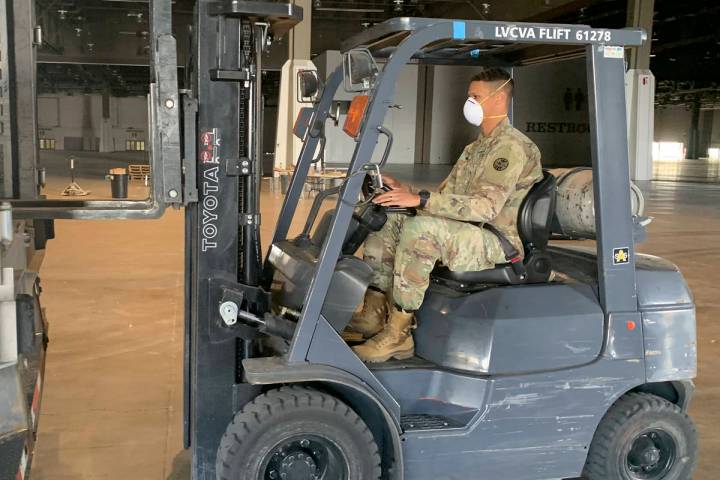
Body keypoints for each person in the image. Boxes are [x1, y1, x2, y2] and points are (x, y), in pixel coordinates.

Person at [349, 68, 543, 363]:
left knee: (422, 230)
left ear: (499, 98)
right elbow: (448, 196)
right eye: (470, 97)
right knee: (387, 219)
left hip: (495, 239)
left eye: (476, 97)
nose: (470, 103)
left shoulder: (512, 148)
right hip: (467, 229)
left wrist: (421, 199)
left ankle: (399, 335)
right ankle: (374, 313)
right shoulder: (475, 149)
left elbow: (484, 207)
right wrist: (406, 189)